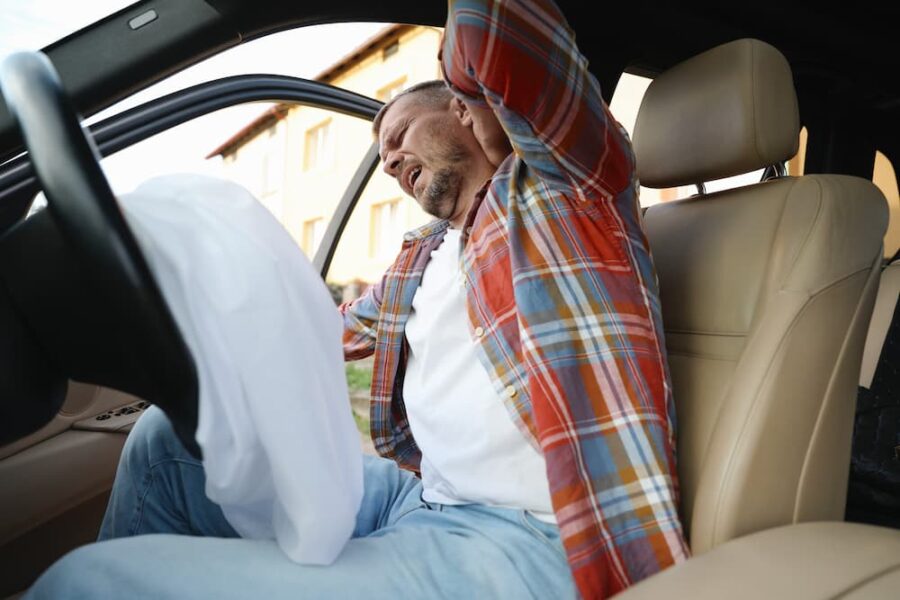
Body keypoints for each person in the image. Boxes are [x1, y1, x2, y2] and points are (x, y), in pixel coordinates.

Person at [27, 0, 687, 598]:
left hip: (533, 539)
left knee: (88, 584)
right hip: (422, 500)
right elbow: (317, 329)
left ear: (463, 107)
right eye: (383, 157)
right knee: (165, 440)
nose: (390, 159)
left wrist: (481, 89)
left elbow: (499, 33)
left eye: (399, 131)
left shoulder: (568, 194)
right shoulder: (424, 258)